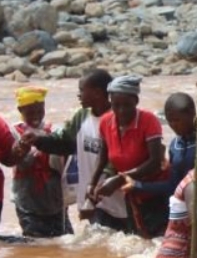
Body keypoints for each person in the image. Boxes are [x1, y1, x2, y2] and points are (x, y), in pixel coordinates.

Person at [21, 69, 129, 230]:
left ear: (98, 93)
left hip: (115, 199)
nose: (78, 95)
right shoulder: (82, 116)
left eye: (81, 90)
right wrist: (38, 141)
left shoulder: (118, 119)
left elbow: (116, 160)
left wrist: (92, 198)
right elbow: (64, 143)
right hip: (91, 198)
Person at [87, 75, 170, 238]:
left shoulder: (149, 120)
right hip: (131, 193)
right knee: (137, 238)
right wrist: (92, 184)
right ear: (110, 102)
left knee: (157, 239)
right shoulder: (105, 122)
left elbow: (154, 162)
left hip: (155, 192)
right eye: (116, 105)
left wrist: (119, 179)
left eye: (127, 105)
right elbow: (103, 158)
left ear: (136, 102)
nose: (121, 111)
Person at [8, 86, 73, 237]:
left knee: (64, 239)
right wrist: (23, 150)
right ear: (20, 110)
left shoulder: (54, 131)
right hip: (27, 201)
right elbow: (21, 163)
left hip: (55, 200)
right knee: (34, 241)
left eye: (40, 111)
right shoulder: (14, 133)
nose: (36, 116)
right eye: (30, 112)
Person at [127, 92, 197, 203]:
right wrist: (137, 185)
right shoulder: (175, 145)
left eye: (177, 120)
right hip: (186, 205)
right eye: (170, 120)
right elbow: (174, 185)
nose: (173, 125)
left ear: (192, 114)